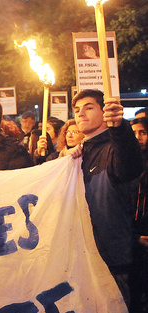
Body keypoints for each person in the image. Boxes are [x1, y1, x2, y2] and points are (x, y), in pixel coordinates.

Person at [71, 89, 143, 307]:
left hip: (113, 261)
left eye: (89, 107)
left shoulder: (113, 150)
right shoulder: (77, 155)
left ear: (105, 112)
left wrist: (119, 128)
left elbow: (130, 163)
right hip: (83, 260)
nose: (81, 114)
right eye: (76, 110)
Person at [130, 117, 148, 312]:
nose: (138, 137)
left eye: (142, 132)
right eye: (133, 133)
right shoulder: (127, 162)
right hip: (133, 232)